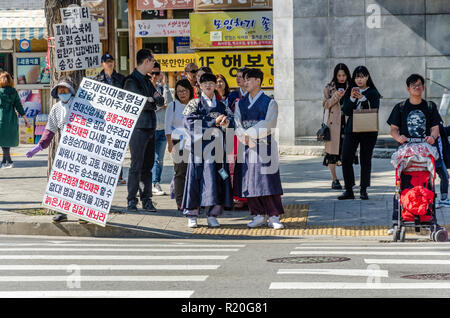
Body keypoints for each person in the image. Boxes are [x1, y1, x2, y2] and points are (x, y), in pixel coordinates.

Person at [387, 73, 441, 232]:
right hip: (406, 150)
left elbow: (435, 128)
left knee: (428, 182)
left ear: (423, 88)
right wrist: (399, 138)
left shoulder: (430, 107)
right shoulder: (401, 107)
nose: (417, 88)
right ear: (408, 88)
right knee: (400, 185)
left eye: (419, 85)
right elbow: (393, 129)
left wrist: (432, 137)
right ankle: (396, 220)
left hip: (424, 149)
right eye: (414, 86)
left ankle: (428, 216)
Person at [25, 77, 83, 223]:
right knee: (63, 181)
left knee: (81, 182)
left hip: (82, 150)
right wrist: (39, 147)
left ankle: (83, 213)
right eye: (60, 90)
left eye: (65, 90)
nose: (63, 92)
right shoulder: (56, 109)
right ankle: (61, 212)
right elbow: (50, 130)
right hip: (64, 150)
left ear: (71, 91)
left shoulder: (81, 105)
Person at [233, 68, 285, 229]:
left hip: (264, 146)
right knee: (250, 181)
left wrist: (249, 134)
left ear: (258, 81)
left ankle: (274, 216)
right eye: (244, 79)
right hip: (247, 147)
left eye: (248, 79)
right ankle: (258, 214)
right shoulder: (240, 103)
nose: (245, 82)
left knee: (268, 181)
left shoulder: (270, 102)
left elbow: (269, 123)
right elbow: (237, 123)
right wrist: (244, 137)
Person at [182, 73, 233, 228]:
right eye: (205, 84)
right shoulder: (193, 103)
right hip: (199, 149)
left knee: (216, 180)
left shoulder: (222, 105)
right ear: (200, 86)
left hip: (217, 149)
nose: (209, 86)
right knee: (195, 180)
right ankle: (192, 214)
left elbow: (232, 123)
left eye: (211, 83)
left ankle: (212, 214)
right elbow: (189, 124)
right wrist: (213, 122)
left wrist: (226, 123)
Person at [123, 49, 165, 212]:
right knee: (136, 165)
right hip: (138, 128)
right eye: (153, 61)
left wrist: (151, 100)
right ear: (146, 61)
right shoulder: (131, 81)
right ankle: (131, 200)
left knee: (148, 166)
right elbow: (139, 104)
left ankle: (146, 199)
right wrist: (150, 100)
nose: (154, 64)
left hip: (150, 127)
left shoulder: (147, 81)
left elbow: (159, 99)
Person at [338, 66, 381, 201]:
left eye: (362, 76)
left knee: (365, 159)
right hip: (352, 129)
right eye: (357, 77)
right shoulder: (350, 91)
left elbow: (375, 108)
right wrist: (351, 98)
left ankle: (363, 189)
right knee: (345, 158)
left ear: (367, 77)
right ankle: (349, 189)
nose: (359, 80)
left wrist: (363, 99)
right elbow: (345, 111)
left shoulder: (373, 93)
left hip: (369, 130)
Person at [94, 53, 127, 185]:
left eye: (111, 61)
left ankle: (118, 175)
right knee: (104, 148)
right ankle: (105, 174)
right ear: (102, 63)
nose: (110, 63)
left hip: (118, 118)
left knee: (118, 148)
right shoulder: (97, 80)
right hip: (103, 119)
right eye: (107, 61)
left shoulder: (121, 78)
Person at [165, 79, 193, 210]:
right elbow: (167, 126)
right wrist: (170, 144)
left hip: (194, 142)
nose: (182, 94)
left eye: (184, 91)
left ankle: (193, 199)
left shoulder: (195, 104)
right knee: (180, 172)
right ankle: (180, 201)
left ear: (190, 91)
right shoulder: (173, 105)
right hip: (178, 142)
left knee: (193, 172)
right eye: (179, 91)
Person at [322, 63, 351, 190]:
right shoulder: (329, 87)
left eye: (344, 75)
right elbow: (325, 105)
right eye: (339, 75)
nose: (341, 78)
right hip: (334, 125)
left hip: (348, 122)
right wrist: (336, 96)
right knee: (332, 154)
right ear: (335, 75)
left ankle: (348, 180)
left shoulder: (352, 87)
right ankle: (334, 180)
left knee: (347, 154)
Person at [149, 61, 173, 196]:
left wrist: (165, 84)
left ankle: (155, 183)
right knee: (148, 158)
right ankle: (146, 184)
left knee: (159, 158)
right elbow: (151, 106)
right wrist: (159, 105)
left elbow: (168, 102)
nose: (154, 76)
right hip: (149, 128)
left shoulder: (161, 87)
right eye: (152, 73)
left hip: (162, 129)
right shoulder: (144, 87)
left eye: (157, 73)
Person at [227, 67, 249, 209]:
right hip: (233, 134)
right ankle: (237, 197)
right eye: (237, 76)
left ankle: (250, 196)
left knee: (248, 164)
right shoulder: (232, 95)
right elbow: (228, 112)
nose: (238, 79)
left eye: (241, 76)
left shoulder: (253, 94)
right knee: (232, 165)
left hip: (249, 134)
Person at [0, 71, 29, 169]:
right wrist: (26, 120)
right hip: (11, 118)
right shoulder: (14, 92)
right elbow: (19, 106)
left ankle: (8, 161)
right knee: (6, 140)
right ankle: (5, 161)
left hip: (1, 118)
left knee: (3, 140)